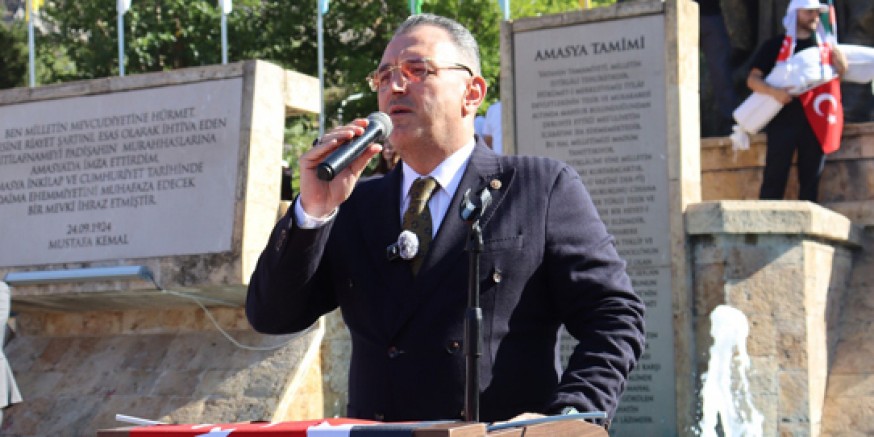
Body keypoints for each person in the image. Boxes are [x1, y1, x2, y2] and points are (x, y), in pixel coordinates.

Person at [246, 13, 645, 427]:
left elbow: (614, 316)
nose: (394, 86)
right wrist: (313, 210)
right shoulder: (354, 203)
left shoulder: (538, 187)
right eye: (383, 76)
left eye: (416, 70)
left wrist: (570, 418)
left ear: (471, 93)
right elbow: (272, 316)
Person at [747, 0, 847, 202]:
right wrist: (775, 92)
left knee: (811, 181)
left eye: (816, 13)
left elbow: (831, 83)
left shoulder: (826, 49)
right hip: (782, 122)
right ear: (795, 13)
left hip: (817, 123)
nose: (814, 17)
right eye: (808, 12)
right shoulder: (775, 46)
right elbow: (752, 80)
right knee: (774, 178)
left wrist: (842, 68)